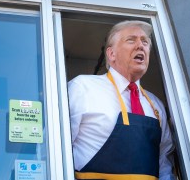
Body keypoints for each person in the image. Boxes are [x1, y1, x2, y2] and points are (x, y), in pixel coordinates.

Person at [68, 20, 175, 180]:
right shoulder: (83, 87)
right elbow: (56, 150)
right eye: (131, 40)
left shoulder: (156, 105)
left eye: (145, 42)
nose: (141, 46)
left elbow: (164, 165)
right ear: (111, 54)